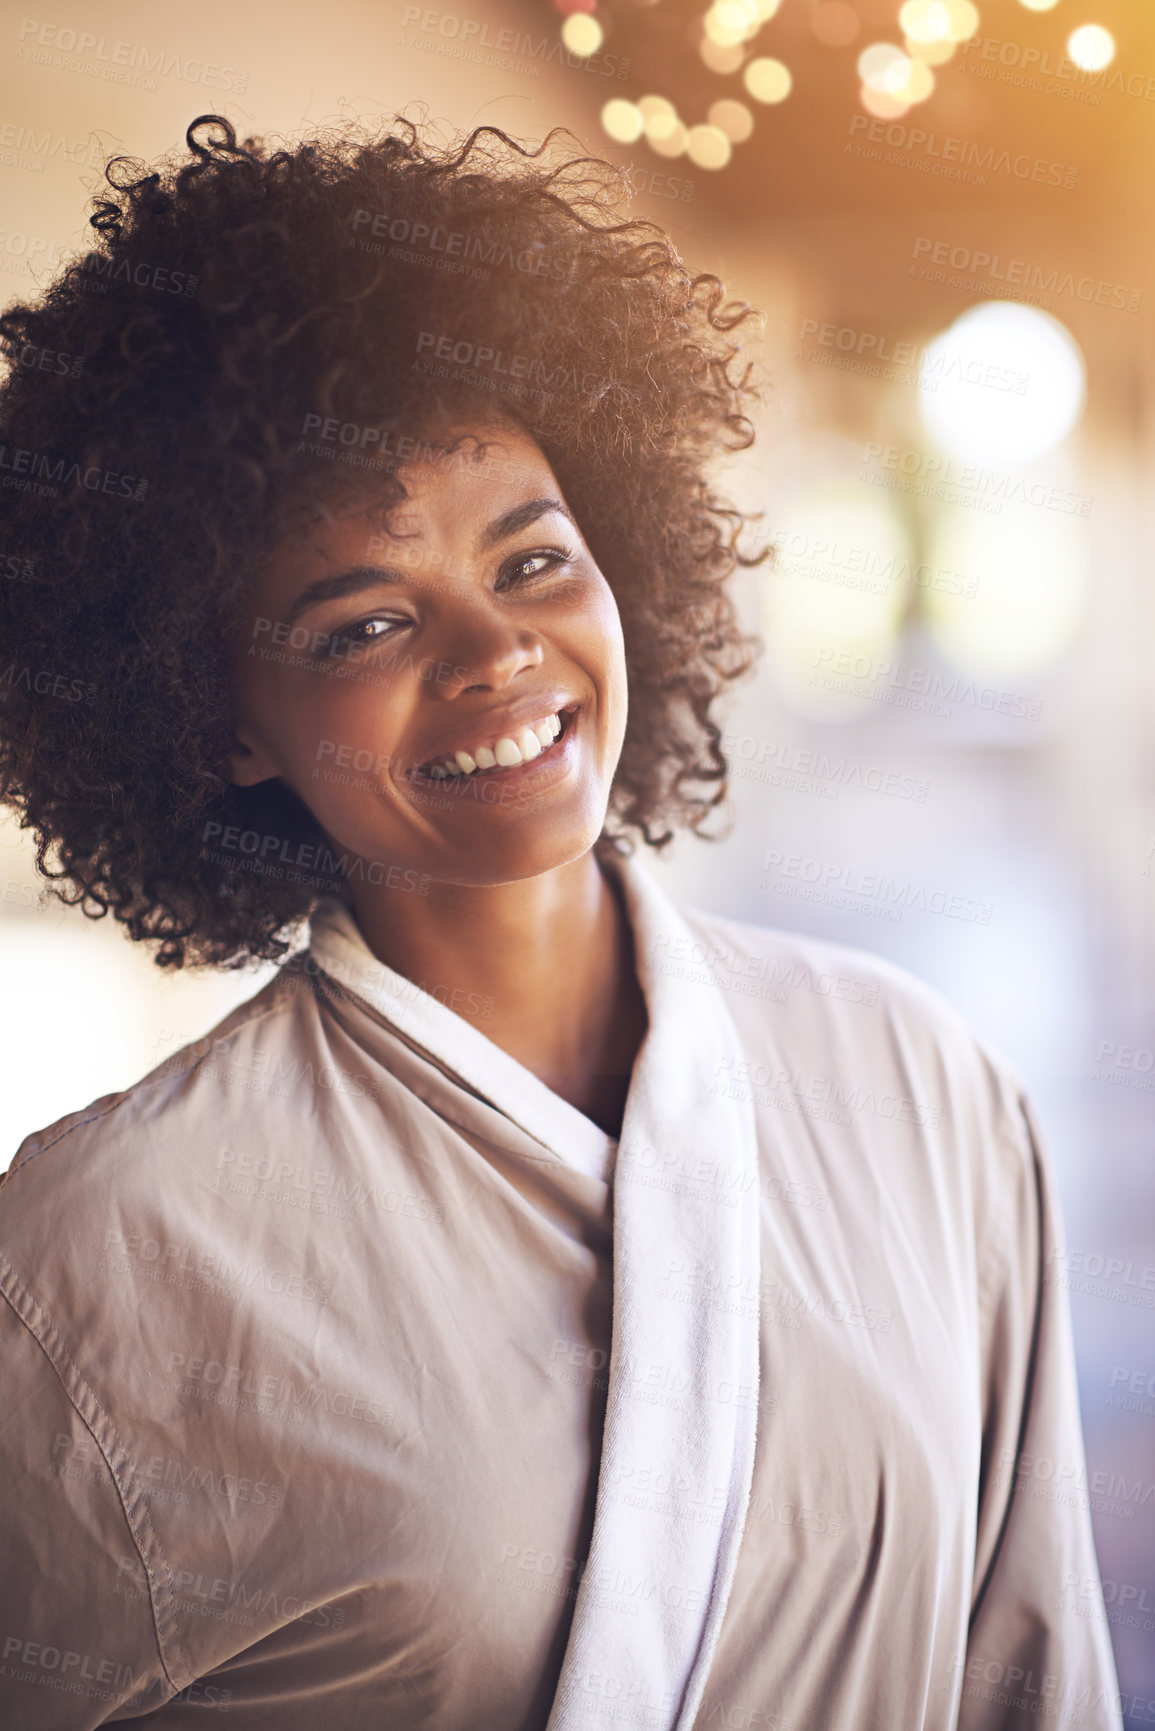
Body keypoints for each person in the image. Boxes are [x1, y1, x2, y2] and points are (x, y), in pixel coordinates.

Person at [0, 115, 1122, 1730]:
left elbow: (1031, 1669)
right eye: (365, 622)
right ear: (217, 719)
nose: (496, 653)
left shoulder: (921, 1082)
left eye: (533, 560)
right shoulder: (97, 1255)